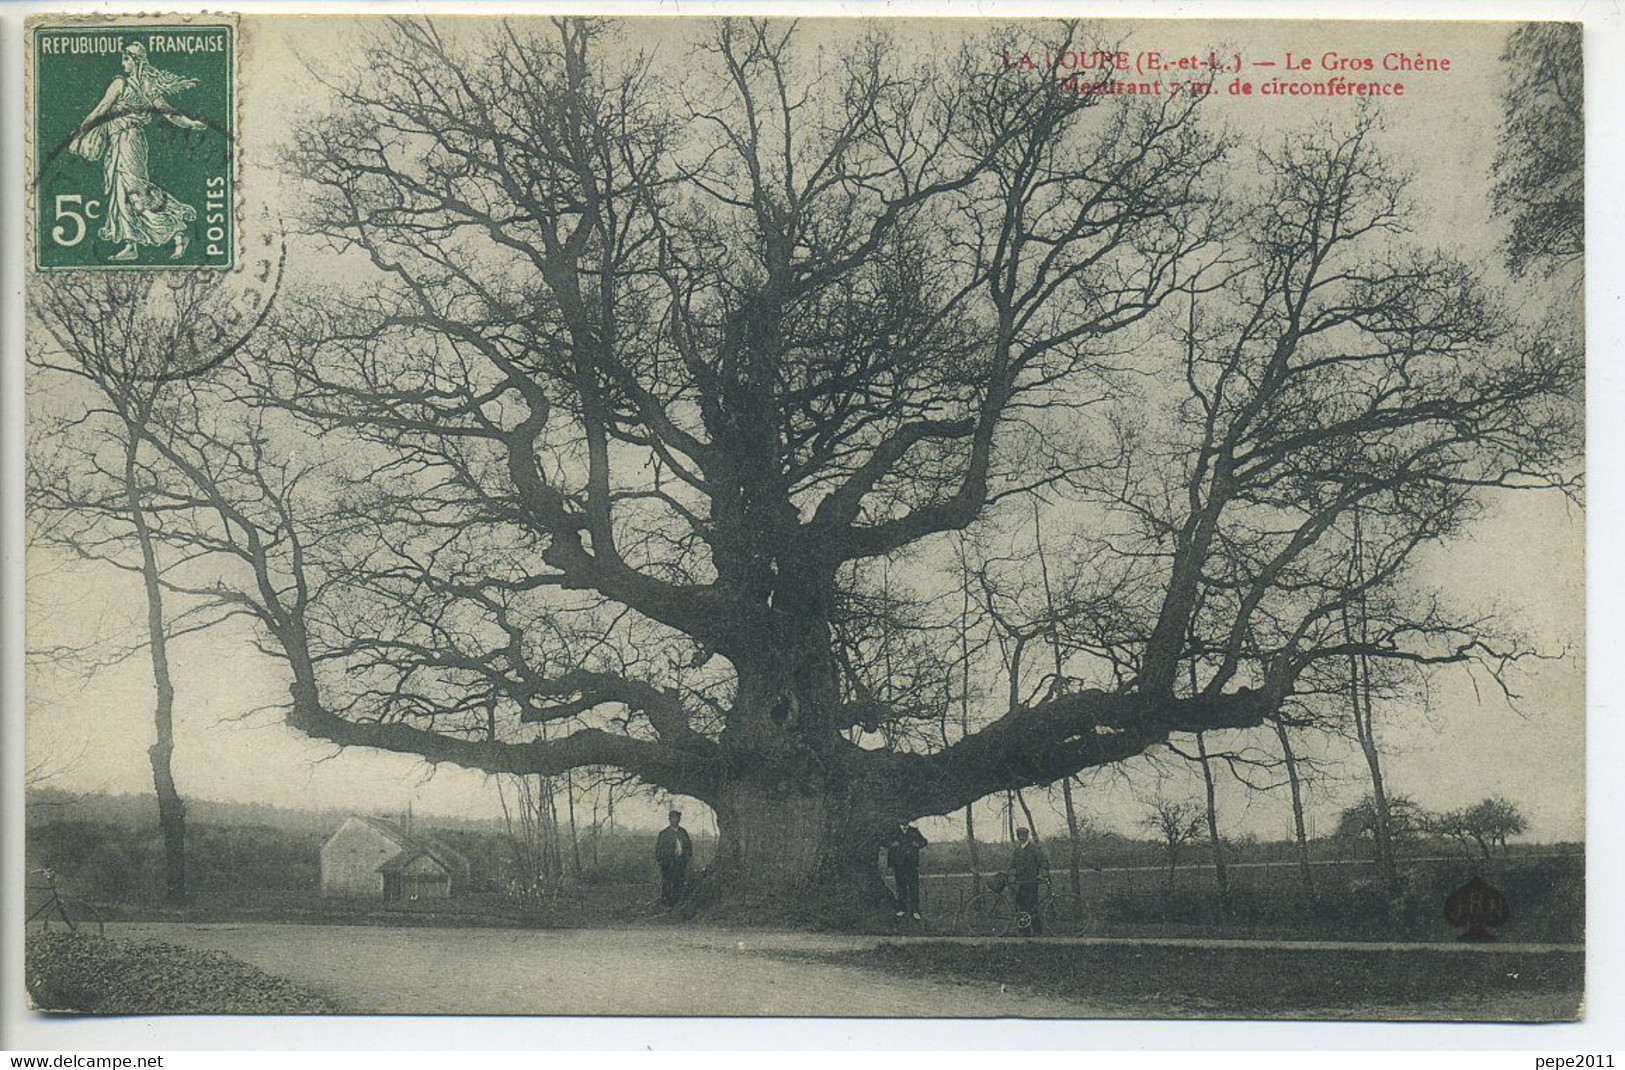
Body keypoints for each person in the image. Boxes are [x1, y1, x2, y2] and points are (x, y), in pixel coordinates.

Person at [69, 43, 205, 262]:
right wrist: (190, 123)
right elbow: (169, 113)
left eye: (126, 59)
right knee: (123, 191)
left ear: (135, 60)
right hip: (124, 142)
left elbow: (101, 110)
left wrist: (79, 134)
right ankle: (132, 244)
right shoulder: (145, 85)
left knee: (134, 190)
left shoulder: (121, 83)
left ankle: (175, 227)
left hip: (128, 141)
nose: (123, 64)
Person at [1008, 827, 1048, 936]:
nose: (1021, 837)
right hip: (1020, 882)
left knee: (1032, 906)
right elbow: (1012, 865)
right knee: (1020, 907)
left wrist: (1043, 873)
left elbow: (1043, 862)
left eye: (1023, 835)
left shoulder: (1034, 849)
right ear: (1017, 836)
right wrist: (1011, 872)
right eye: (1019, 835)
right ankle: (1024, 932)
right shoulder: (1017, 850)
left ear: (1027, 836)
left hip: (1031, 882)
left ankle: (1037, 931)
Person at [885, 822, 929, 920]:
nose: (905, 820)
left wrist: (917, 844)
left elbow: (924, 841)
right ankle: (902, 909)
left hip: (911, 863)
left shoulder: (914, 831)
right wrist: (892, 844)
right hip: (898, 863)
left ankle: (915, 910)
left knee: (913, 886)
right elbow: (884, 842)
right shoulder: (893, 831)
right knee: (901, 886)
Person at [654, 809, 693, 906]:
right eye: (673, 818)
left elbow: (689, 846)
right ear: (669, 819)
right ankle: (666, 903)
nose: (675, 820)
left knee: (679, 882)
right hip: (668, 864)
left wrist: (686, 858)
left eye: (677, 818)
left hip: (680, 863)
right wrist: (663, 861)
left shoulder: (683, 832)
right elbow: (658, 849)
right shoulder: (664, 834)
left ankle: (677, 903)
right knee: (667, 883)